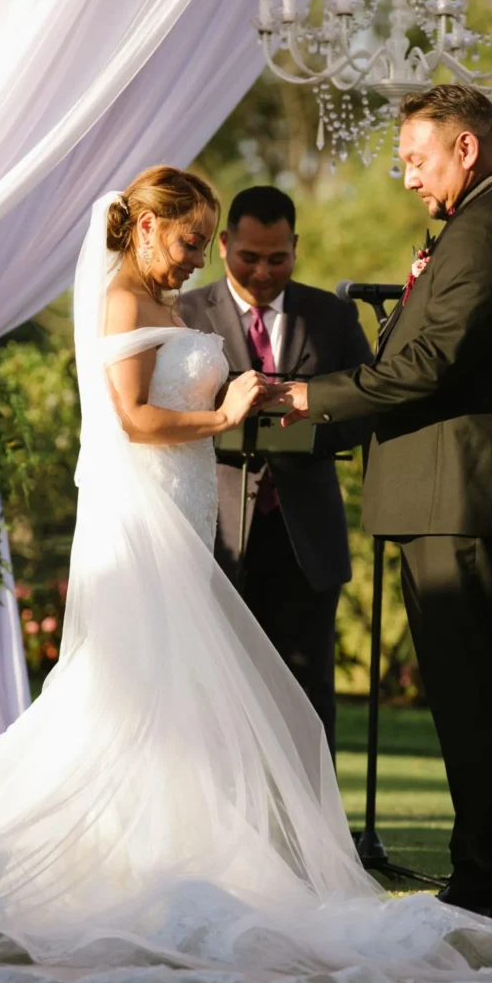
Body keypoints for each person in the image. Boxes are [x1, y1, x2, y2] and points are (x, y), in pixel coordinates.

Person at [0, 165, 492, 983]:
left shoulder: (166, 304)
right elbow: (133, 419)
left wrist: (258, 402)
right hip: (144, 526)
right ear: (149, 227)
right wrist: (224, 415)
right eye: (193, 241)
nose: (198, 259)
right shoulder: (126, 301)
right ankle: (130, 861)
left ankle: (174, 852)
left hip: (186, 513)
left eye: (206, 243)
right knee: (131, 689)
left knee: (182, 696)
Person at [270, 85, 492, 923]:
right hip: (444, 496)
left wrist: (304, 398)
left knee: (475, 697)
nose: (405, 178)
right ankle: (478, 876)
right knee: (463, 693)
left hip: (463, 500)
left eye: (415, 159)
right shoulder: (474, 224)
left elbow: (426, 365)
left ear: (465, 149)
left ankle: (484, 886)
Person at [179, 186, 373, 759]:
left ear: (296, 247)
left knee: (310, 689)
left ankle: (315, 833)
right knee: (213, 686)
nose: (263, 271)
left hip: (305, 534)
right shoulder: (185, 313)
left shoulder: (333, 315)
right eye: (249, 257)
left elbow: (366, 405)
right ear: (223, 245)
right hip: (215, 531)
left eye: (277, 258)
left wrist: (311, 418)